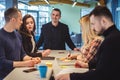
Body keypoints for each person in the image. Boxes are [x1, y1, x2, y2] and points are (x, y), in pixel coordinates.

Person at [55, 6, 120, 80]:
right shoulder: (113, 36)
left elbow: (101, 74)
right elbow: (102, 63)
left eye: (93, 24)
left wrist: (71, 76)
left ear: (103, 21)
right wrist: (88, 65)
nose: (92, 28)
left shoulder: (111, 40)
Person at [0, 8, 40, 80]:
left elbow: (23, 54)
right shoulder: (1, 37)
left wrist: (32, 59)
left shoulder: (18, 35)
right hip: (6, 76)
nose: (22, 22)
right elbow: (2, 62)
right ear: (13, 20)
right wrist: (25, 63)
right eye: (20, 19)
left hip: (18, 72)